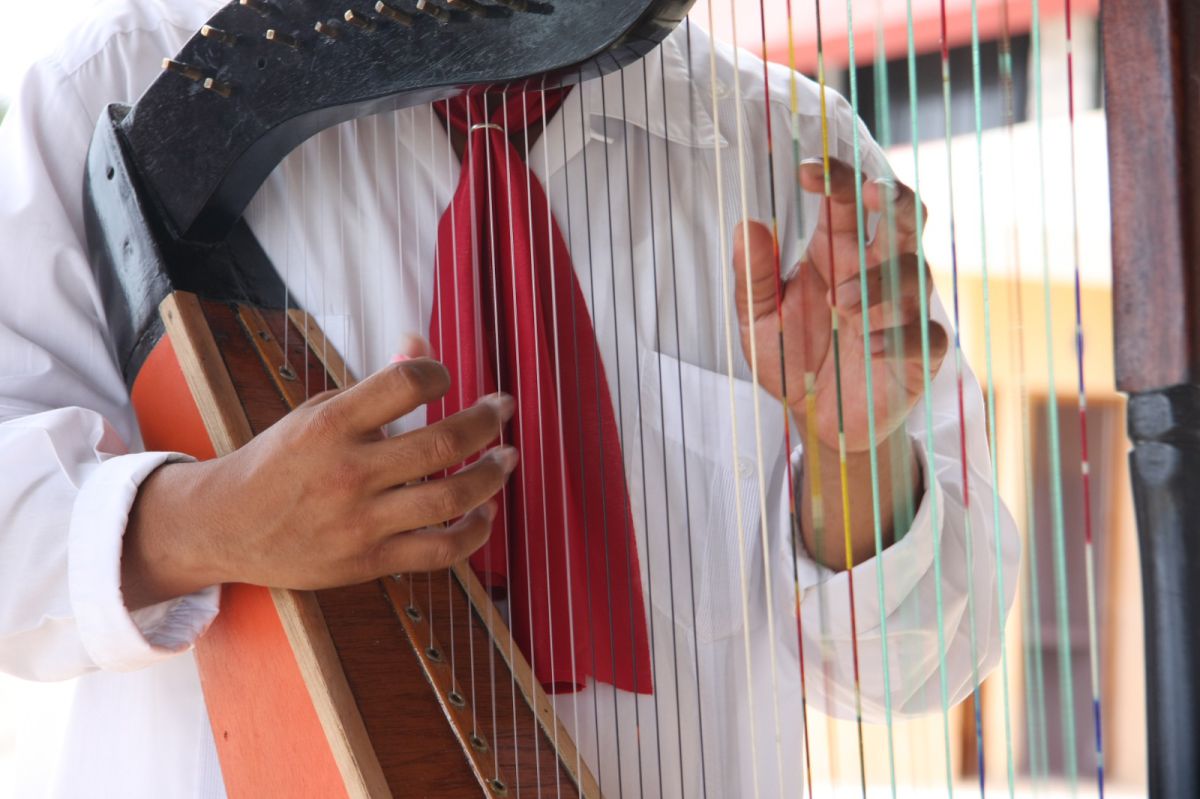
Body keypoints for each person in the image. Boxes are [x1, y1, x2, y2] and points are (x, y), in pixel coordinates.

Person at [0, 1, 1019, 796]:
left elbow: (924, 667)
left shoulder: (791, 149)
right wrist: (207, 524)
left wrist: (854, 456)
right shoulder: (113, 86)